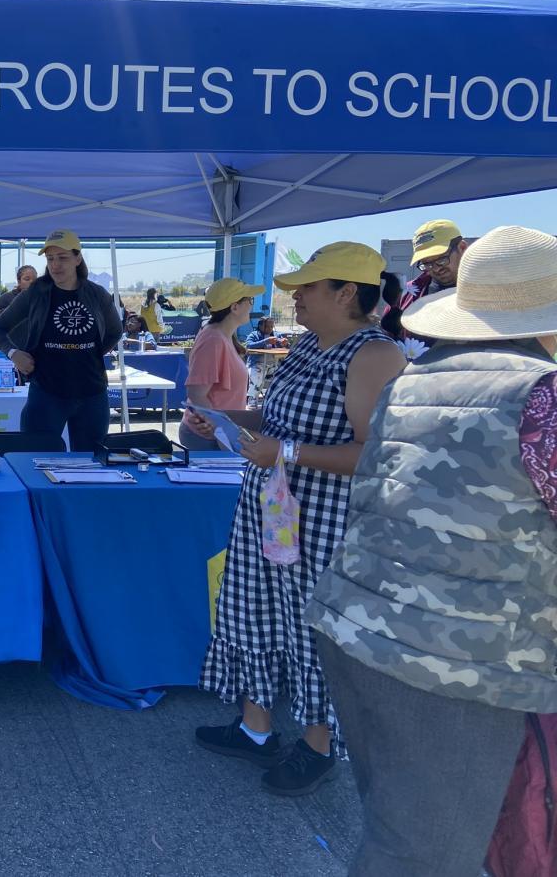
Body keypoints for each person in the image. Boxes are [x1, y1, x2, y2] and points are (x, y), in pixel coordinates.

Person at [306, 226, 557, 876]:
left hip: (359, 627)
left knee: (400, 828)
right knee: (422, 854)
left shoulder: (414, 379)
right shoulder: (542, 395)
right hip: (457, 658)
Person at [187, 241, 405, 796]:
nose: (296, 298)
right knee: (251, 611)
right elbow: (277, 415)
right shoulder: (310, 345)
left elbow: (374, 453)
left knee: (311, 633)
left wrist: (286, 453)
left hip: (323, 523)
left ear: (346, 293)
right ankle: (255, 728)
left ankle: (318, 745)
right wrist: (225, 417)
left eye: (308, 288)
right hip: (271, 510)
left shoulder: (373, 356)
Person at [0, 229, 123, 451]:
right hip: (46, 393)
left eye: (62, 258)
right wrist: (15, 354)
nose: (55, 265)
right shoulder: (35, 293)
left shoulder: (97, 294)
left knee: (92, 466)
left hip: (91, 393)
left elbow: (115, 332)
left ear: (78, 259)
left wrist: (90, 354)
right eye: (50, 259)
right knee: (35, 460)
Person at [179, 279, 261, 450]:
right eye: (249, 300)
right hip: (209, 438)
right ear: (234, 307)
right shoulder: (213, 340)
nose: (252, 305)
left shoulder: (221, 336)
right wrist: (221, 432)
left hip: (217, 436)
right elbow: (196, 394)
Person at [244, 317, 287, 402]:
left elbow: (285, 347)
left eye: (271, 326)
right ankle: (252, 399)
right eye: (267, 326)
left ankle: (274, 400)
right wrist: (265, 341)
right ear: (260, 325)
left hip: (273, 365)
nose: (269, 329)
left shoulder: (276, 335)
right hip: (257, 363)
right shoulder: (254, 335)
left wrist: (284, 343)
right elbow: (248, 345)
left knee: (283, 376)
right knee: (257, 377)